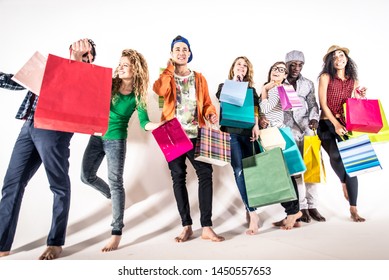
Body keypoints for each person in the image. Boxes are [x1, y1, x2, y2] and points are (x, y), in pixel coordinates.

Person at [0, 38, 96, 260]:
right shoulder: (50, 71)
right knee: (12, 184)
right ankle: (2, 243)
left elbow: (79, 93)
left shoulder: (85, 78)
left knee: (58, 185)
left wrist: (77, 63)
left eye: (84, 52)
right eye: (75, 48)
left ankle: (55, 242)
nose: (78, 51)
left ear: (89, 56)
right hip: (29, 125)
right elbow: (16, 81)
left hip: (54, 131)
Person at [81, 49, 162, 252]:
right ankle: (114, 198)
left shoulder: (138, 96)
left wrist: (158, 125)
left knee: (116, 182)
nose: (120, 67)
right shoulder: (110, 83)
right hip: (96, 137)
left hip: (116, 140)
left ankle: (116, 232)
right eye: (120, 63)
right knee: (86, 176)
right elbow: (89, 89)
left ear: (135, 69)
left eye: (125, 64)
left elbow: (144, 122)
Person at [153, 35, 224, 242]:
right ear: (171, 54)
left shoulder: (199, 77)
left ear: (190, 53)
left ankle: (207, 227)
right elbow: (160, 90)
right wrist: (169, 69)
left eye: (185, 49)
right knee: (178, 178)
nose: (182, 52)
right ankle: (186, 225)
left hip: (196, 132)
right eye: (177, 49)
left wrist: (211, 113)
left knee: (205, 174)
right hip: (172, 132)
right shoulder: (166, 76)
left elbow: (207, 103)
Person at [317, 45, 366, 222]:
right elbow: (323, 104)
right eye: (335, 57)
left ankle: (354, 208)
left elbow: (352, 104)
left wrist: (360, 97)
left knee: (352, 166)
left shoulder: (354, 80)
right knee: (336, 156)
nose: (339, 59)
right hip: (326, 123)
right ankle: (343, 182)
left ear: (347, 58)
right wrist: (335, 124)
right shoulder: (325, 77)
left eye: (342, 55)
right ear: (330, 61)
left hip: (346, 124)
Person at [215, 56, 261, 235]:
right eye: (239, 64)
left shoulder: (251, 90)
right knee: (239, 170)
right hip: (231, 132)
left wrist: (256, 125)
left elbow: (255, 109)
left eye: (245, 65)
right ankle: (253, 212)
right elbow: (222, 98)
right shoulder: (223, 86)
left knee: (250, 172)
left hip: (248, 133)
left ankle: (249, 207)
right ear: (233, 68)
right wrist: (236, 83)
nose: (242, 67)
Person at [259, 61, 302, 229]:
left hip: (277, 134)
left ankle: (293, 212)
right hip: (271, 134)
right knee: (282, 174)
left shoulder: (277, 89)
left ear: (285, 76)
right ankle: (292, 213)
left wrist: (264, 90)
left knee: (282, 174)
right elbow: (262, 113)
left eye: (282, 70)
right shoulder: (271, 88)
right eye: (275, 68)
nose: (278, 71)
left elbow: (267, 108)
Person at [284, 50, 326, 223]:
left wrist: (314, 119)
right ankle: (301, 207)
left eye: (300, 65)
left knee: (312, 168)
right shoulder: (280, 83)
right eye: (292, 64)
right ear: (286, 65)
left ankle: (312, 205)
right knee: (296, 170)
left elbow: (312, 104)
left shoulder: (308, 83)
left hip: (308, 129)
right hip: (289, 130)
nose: (296, 68)